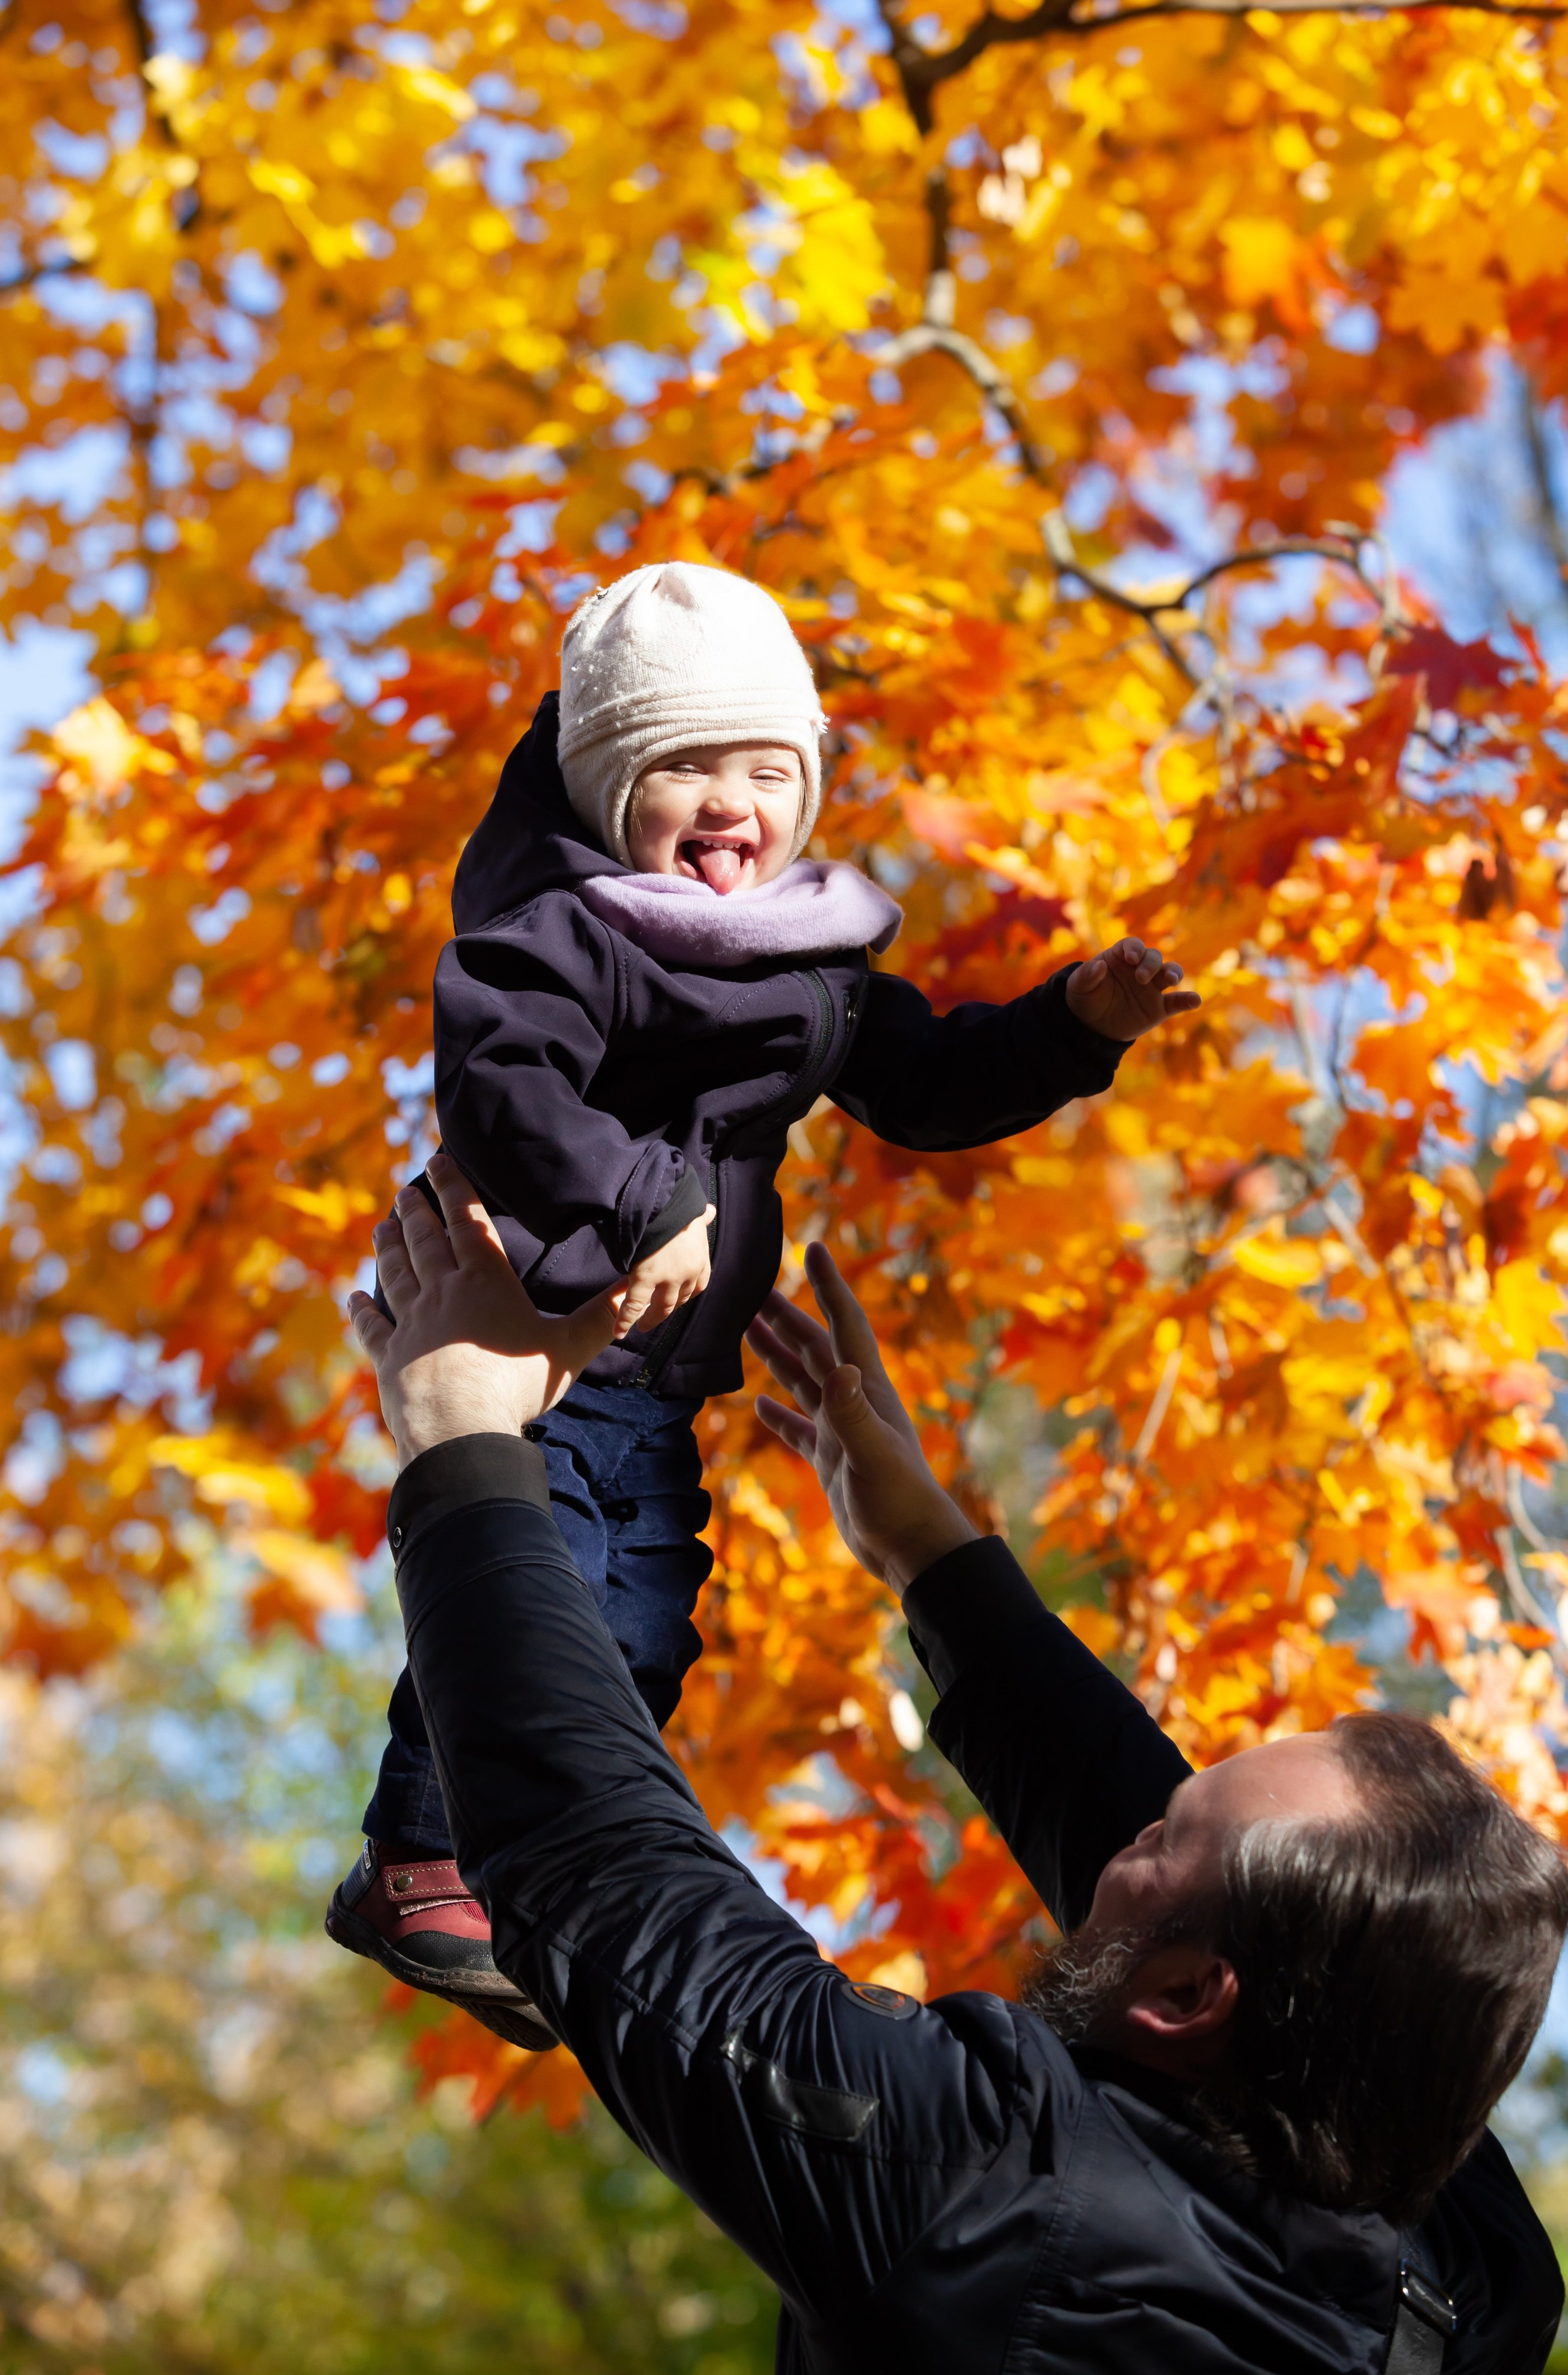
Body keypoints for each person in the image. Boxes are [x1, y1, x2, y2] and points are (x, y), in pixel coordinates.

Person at [345, 1157, 1568, 2375]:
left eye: (1158, 1838)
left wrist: (464, 1443)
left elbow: (611, 1877)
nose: (1120, 1839)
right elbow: (1247, 1898)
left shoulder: (981, 2203)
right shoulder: (1461, 2288)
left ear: (1194, 1997)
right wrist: (929, 1554)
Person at [328, 559, 1202, 2042]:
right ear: (611, 789)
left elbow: (923, 1090)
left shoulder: (804, 952)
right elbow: (498, 1087)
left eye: (763, 768)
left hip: (657, 1376)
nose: (728, 798)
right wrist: (637, 1201)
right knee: (533, 1588)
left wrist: (1067, 1026)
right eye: (681, 767)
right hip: (537, 1336)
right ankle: (419, 1854)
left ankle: (527, 1874)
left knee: (642, 1631)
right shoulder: (562, 936)